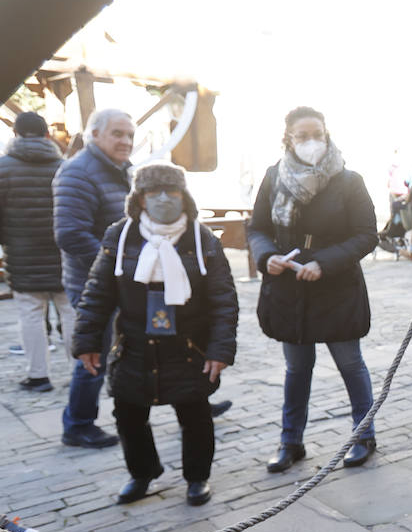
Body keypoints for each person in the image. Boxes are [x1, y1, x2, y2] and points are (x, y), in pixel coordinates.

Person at [72, 163, 237, 506]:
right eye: (154, 192)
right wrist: (87, 341)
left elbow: (223, 300)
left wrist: (220, 350)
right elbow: (97, 293)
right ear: (140, 199)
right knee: (130, 415)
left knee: (195, 415)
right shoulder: (119, 236)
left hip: (188, 344)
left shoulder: (201, 238)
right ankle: (142, 472)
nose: (164, 198)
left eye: (171, 191)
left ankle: (197, 477)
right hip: (134, 344)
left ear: (184, 196)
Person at [248, 106, 378, 472]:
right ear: (288, 139)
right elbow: (256, 228)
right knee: (297, 368)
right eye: (302, 136)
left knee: (350, 363)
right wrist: (266, 257)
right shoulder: (275, 176)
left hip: (336, 287)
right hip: (291, 289)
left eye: (316, 134)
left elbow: (367, 234)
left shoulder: (348, 180)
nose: (311, 142)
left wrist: (325, 261)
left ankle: (363, 434)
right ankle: (291, 441)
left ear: (327, 134)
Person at [52, 108, 134, 448]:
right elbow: (70, 235)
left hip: (124, 281)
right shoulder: (78, 173)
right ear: (95, 135)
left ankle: (188, 400)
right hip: (94, 285)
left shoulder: (119, 170)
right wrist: (117, 263)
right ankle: (78, 424)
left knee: (151, 345)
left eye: (130, 134)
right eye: (118, 133)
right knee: (94, 354)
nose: (126, 141)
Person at [0, 112, 66, 393]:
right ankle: (84, 371)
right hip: (63, 254)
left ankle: (39, 376)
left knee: (30, 314)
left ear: (15, 135)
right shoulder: (65, 167)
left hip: (21, 253)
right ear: (47, 135)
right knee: (71, 310)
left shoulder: (2, 168)